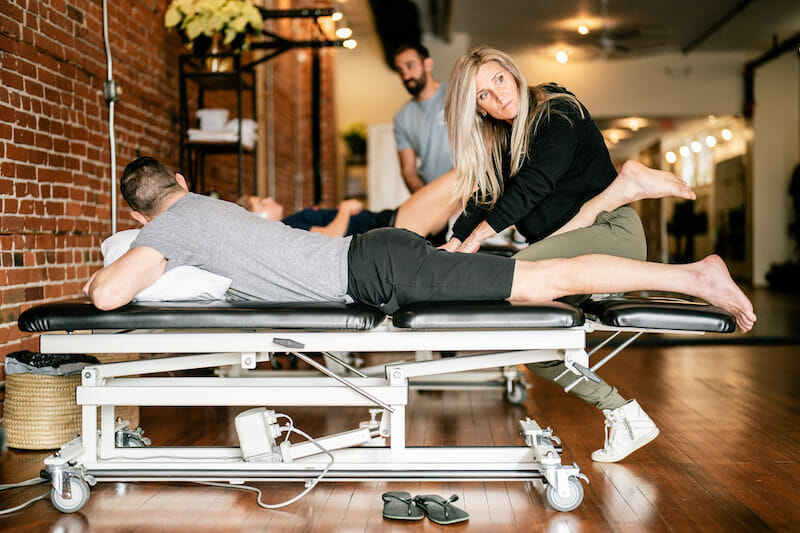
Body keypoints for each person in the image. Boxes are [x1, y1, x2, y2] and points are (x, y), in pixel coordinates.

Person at [86, 157, 756, 462]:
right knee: (533, 280)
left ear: (136, 212)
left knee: (541, 282)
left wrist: (139, 249)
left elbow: (109, 295)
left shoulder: (164, 228)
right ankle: (641, 243)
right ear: (179, 178)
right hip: (377, 258)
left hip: (378, 268)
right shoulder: (207, 206)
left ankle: (694, 275)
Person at [440, 46, 701, 462]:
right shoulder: (504, 137)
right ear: (480, 111)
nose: (498, 97)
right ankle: (625, 414)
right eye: (483, 97)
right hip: (568, 247)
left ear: (513, 73)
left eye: (499, 81)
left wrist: (473, 244)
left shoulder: (556, 114)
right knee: (529, 342)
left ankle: (631, 188)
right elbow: (488, 194)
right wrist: (455, 241)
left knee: (502, 287)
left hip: (608, 234)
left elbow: (532, 187)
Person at [239, 169, 459, 239]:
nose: (267, 199)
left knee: (465, 192)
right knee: (463, 174)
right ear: (257, 219)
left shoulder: (289, 225)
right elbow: (330, 236)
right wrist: (344, 209)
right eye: (261, 203)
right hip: (391, 226)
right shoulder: (288, 228)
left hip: (391, 223)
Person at [393, 44, 453, 194]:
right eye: (400, 71)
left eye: (410, 66)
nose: (405, 76)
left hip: (470, 191)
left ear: (428, 64)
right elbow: (408, 170)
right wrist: (425, 199)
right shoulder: (401, 117)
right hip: (432, 194)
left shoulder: (455, 94)